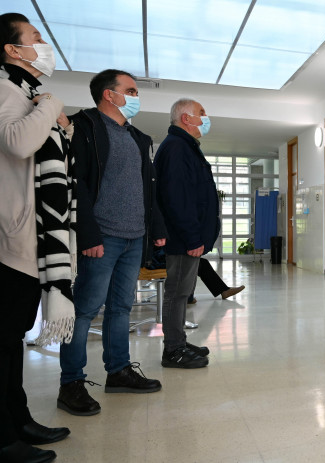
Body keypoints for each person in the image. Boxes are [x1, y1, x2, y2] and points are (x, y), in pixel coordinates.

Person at [58, 69, 166, 416]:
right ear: (109, 94)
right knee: (84, 310)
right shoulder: (84, 128)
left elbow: (148, 187)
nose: (136, 96)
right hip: (101, 236)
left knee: (121, 308)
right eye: (131, 90)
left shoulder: (138, 137)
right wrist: (88, 234)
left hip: (134, 236)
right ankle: (71, 383)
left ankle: (118, 370)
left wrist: (156, 228)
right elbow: (77, 184)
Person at [0, 12, 71, 463]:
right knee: (4, 340)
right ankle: (4, 437)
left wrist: (56, 119)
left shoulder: (26, 92)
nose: (42, 44)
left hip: (32, 240)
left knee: (13, 339)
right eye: (35, 37)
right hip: (14, 238)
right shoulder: (6, 88)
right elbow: (18, 142)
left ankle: (18, 418)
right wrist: (51, 106)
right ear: (12, 49)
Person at [154, 98, 219, 369]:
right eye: (201, 113)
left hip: (188, 237)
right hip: (183, 239)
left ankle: (178, 340)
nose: (206, 117)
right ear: (186, 119)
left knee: (182, 292)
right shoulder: (177, 148)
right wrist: (193, 237)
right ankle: (173, 349)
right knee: (177, 293)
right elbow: (177, 199)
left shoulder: (185, 147)